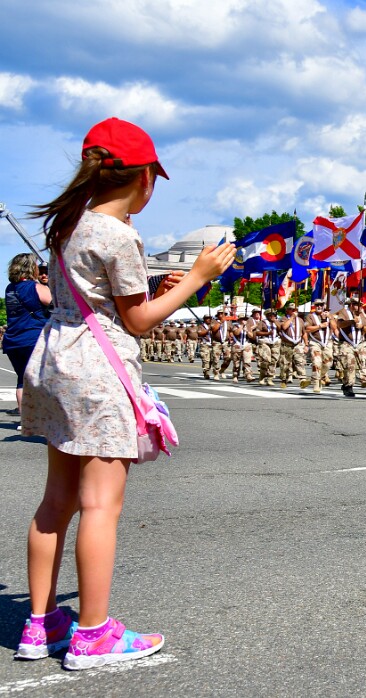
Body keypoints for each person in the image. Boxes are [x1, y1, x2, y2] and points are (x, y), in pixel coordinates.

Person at [20, 117, 234, 668]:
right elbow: (138, 321)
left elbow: (96, 299)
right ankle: (94, 634)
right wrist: (196, 277)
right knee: (100, 506)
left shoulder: (66, 225)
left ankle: (38, 625)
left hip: (56, 360)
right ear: (144, 179)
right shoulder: (120, 234)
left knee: (56, 501)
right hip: (97, 370)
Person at [3, 253, 52, 416]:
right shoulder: (36, 287)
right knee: (45, 378)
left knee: (22, 379)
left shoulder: (10, 289)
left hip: (12, 340)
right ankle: (45, 418)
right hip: (33, 338)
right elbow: (54, 303)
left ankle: (25, 419)